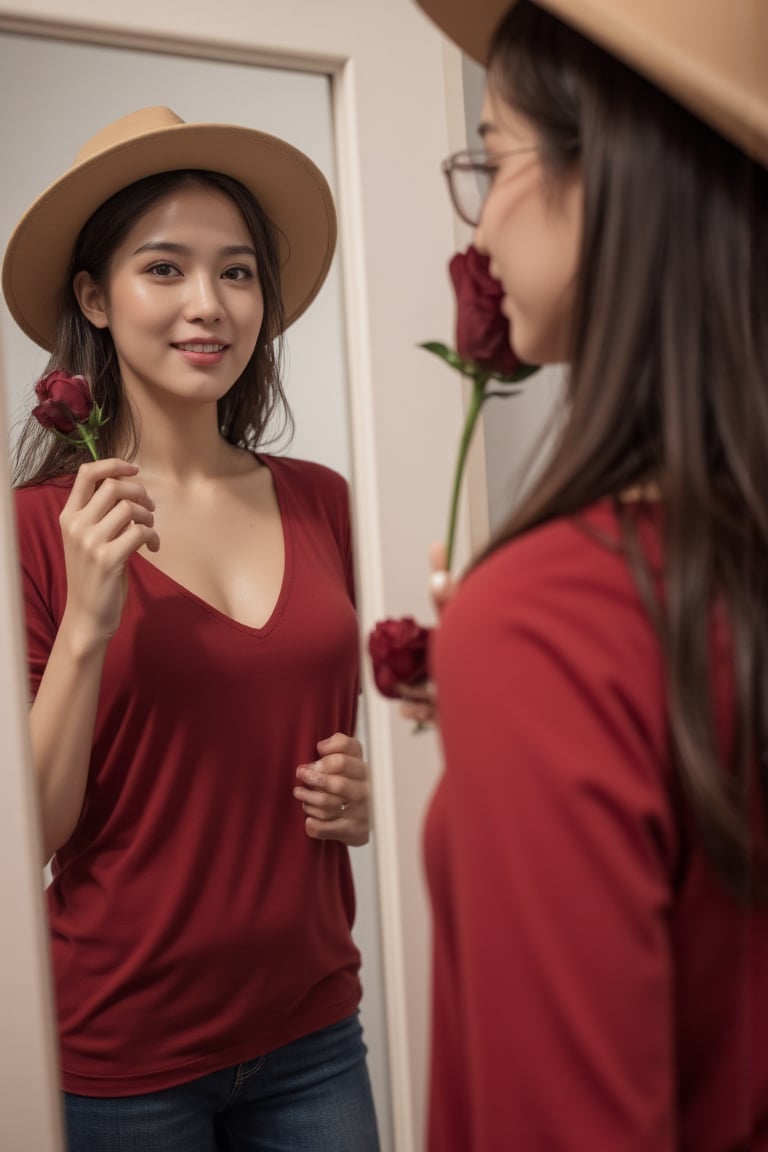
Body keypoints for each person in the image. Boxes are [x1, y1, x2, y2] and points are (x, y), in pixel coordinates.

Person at [406, 1, 768, 1148]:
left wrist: (529, 667)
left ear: (608, 176)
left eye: (494, 156)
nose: (476, 232)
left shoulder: (555, 619)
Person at [2, 106, 380, 1152]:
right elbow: (28, 837)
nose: (208, 305)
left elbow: (355, 729)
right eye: (164, 269)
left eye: (239, 271)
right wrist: (87, 617)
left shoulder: (329, 501)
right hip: (123, 1065)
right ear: (94, 296)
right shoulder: (34, 530)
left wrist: (367, 791)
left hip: (314, 1032)